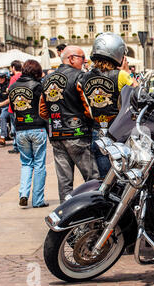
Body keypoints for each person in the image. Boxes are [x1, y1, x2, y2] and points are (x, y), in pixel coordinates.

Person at [39, 45, 99, 203]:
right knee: (92, 179)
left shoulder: (47, 79)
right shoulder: (80, 77)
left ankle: (65, 214)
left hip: (56, 134)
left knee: (64, 181)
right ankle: (95, 214)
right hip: (77, 133)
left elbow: (43, 111)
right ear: (71, 58)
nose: (85, 61)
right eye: (82, 57)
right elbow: (89, 107)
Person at [77, 32, 136, 178]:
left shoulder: (83, 78)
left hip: (97, 131)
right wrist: (127, 72)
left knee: (106, 177)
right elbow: (139, 93)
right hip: (119, 130)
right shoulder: (121, 75)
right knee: (123, 175)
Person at [9, 59, 48, 209]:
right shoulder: (38, 86)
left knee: (26, 164)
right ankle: (38, 200)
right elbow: (44, 107)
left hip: (20, 129)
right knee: (39, 164)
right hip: (37, 128)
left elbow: (13, 108)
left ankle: (23, 194)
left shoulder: (12, 87)